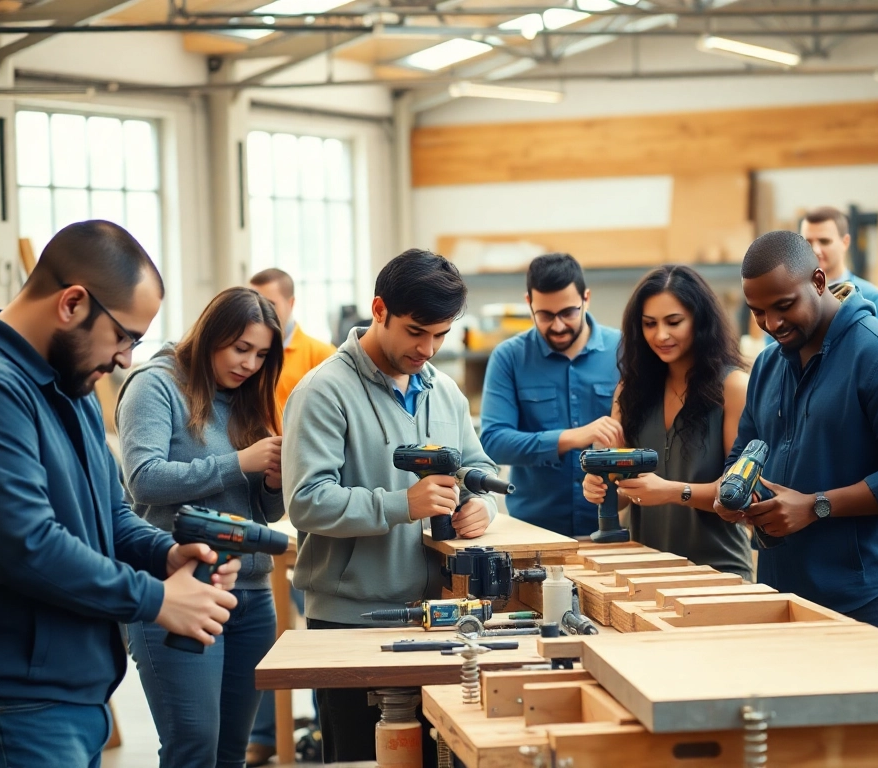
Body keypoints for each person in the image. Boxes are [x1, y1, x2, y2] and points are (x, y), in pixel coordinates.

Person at [0, 220, 240, 768]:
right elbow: (26, 548)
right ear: (72, 303)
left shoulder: (69, 385)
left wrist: (164, 554)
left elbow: (110, 513)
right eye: (124, 337)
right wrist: (158, 600)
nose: (126, 360)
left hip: (68, 699)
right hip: (6, 707)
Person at [284, 248, 499, 763]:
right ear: (379, 310)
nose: (428, 347)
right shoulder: (323, 392)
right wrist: (402, 504)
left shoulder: (442, 391)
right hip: (350, 618)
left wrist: (482, 508)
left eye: (442, 334)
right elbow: (306, 502)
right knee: (360, 756)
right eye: (416, 331)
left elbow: (479, 471)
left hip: (437, 616)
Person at [713, 230, 878, 638]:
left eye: (783, 306)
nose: (772, 323)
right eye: (758, 312)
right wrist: (735, 491)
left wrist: (815, 506)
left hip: (866, 602)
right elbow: (743, 453)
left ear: (818, 282)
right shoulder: (766, 367)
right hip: (781, 596)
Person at [117, 286, 287, 768]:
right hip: (176, 589)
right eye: (240, 349)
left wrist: (271, 484)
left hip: (250, 595)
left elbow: (264, 514)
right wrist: (239, 462)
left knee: (233, 749)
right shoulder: (156, 385)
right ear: (212, 334)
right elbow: (144, 479)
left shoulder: (247, 397)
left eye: (261, 355)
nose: (250, 365)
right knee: (194, 744)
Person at [581, 265, 752, 579]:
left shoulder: (734, 388)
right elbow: (622, 495)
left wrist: (674, 492)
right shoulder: (629, 392)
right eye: (649, 324)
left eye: (674, 322)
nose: (660, 335)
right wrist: (602, 486)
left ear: (699, 321)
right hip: (645, 571)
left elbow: (738, 499)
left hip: (719, 572)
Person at [245, 267, 335, 767]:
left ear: (292, 303)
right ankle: (263, 732)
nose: (261, 315)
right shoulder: (252, 355)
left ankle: (323, 727)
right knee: (270, 627)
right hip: (265, 497)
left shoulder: (320, 357)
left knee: (311, 614)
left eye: (270, 306)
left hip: (304, 504)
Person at [480, 253, 622, 536]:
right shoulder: (509, 358)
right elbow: (494, 441)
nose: (557, 326)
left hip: (611, 529)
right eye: (545, 315)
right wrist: (570, 437)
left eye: (568, 312)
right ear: (529, 304)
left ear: (587, 299)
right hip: (533, 532)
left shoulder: (624, 350)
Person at [249, 267, 338, 420]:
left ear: (291, 304)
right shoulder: (241, 356)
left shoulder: (323, 355)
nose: (259, 312)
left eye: (269, 304)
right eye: (252, 304)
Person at [802, 206, 878, 325]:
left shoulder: (871, 298)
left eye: (824, 241)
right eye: (808, 242)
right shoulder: (793, 297)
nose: (816, 250)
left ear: (845, 242)